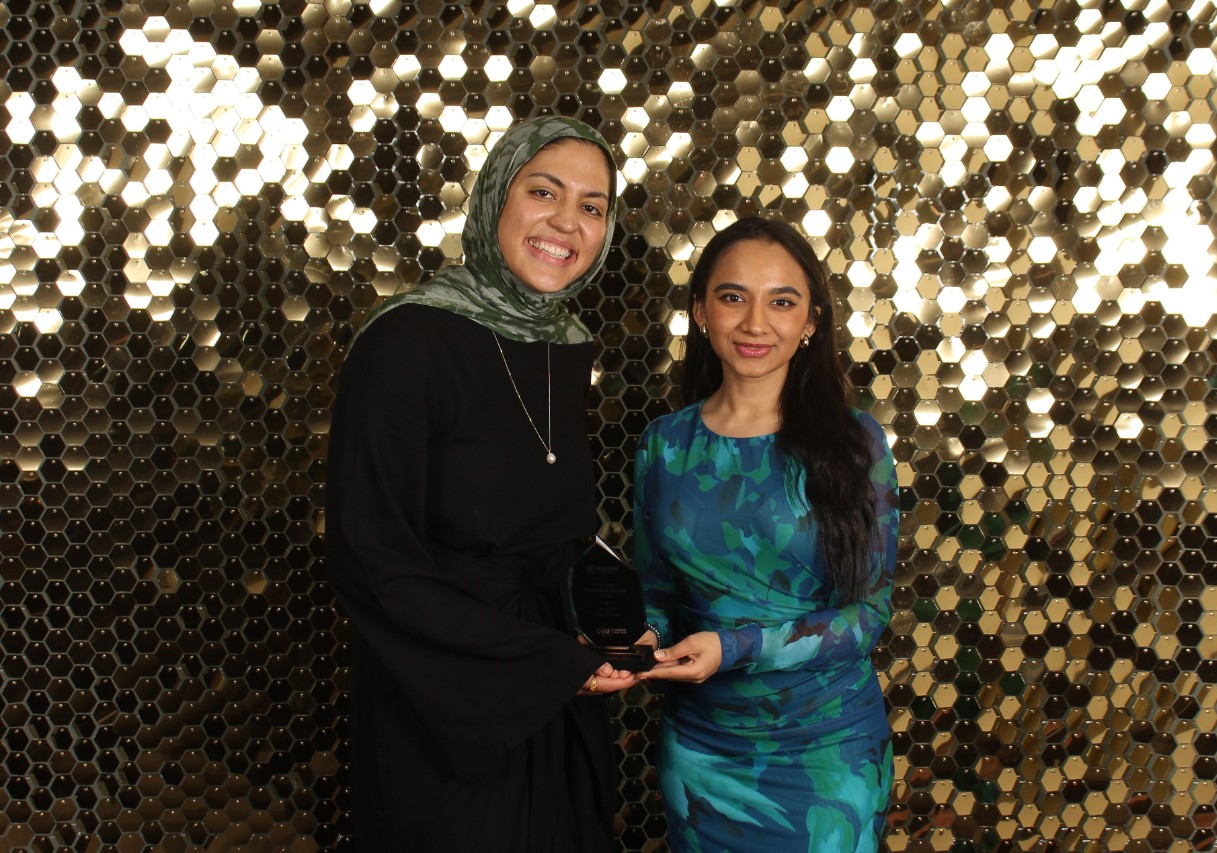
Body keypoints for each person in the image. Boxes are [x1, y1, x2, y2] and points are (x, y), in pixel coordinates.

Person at [325, 115, 635, 852]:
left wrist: (616, 629)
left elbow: (555, 536)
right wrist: (548, 664)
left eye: (592, 206)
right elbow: (371, 559)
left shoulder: (565, 344)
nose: (567, 222)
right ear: (497, 196)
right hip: (446, 716)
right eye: (544, 192)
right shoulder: (406, 341)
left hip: (561, 704)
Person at [632, 216, 899, 852]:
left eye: (782, 301)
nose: (756, 323)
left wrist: (736, 647)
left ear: (811, 321)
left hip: (827, 754)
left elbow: (867, 616)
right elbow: (657, 596)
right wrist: (638, 643)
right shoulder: (663, 445)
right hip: (701, 752)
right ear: (701, 311)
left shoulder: (856, 442)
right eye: (734, 297)